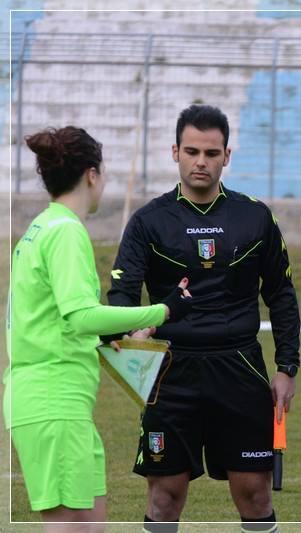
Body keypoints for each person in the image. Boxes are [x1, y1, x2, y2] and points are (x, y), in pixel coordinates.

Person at [106, 105, 301, 533]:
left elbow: (281, 295)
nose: (201, 161)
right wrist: (129, 330)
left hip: (240, 367)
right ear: (175, 152)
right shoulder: (148, 221)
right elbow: (122, 293)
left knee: (255, 494)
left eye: (212, 153)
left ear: (226, 156)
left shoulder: (256, 217)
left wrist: (287, 367)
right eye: (192, 151)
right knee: (164, 497)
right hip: (170, 372)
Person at [4, 126, 191, 532]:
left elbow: (62, 316)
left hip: (61, 401)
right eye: (103, 172)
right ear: (92, 175)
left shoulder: (43, 227)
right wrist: (161, 311)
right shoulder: (65, 231)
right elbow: (80, 315)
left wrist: (112, 336)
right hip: (53, 398)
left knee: (92, 525)